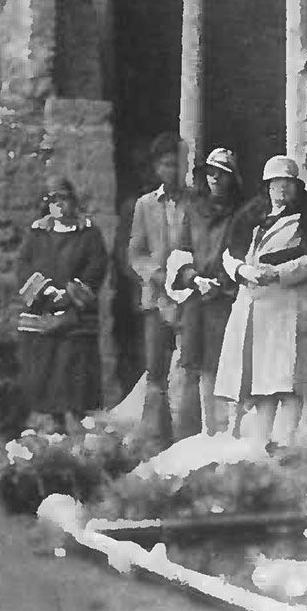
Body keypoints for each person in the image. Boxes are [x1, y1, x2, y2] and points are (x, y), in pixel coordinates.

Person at [214, 156, 307, 451]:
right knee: (262, 381)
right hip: (255, 305)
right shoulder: (252, 217)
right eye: (276, 182)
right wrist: (240, 270)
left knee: (289, 380)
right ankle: (260, 441)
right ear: (267, 185)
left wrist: (277, 272)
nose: (281, 188)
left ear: (297, 186)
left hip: (289, 305)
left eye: (288, 182)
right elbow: (230, 253)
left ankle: (285, 443)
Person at [169, 148, 259, 436]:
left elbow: (243, 251)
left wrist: (222, 281)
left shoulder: (243, 214)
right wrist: (194, 279)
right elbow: (182, 252)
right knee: (200, 364)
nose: (215, 179)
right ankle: (209, 430)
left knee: (230, 362)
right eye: (210, 172)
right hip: (198, 296)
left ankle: (233, 430)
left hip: (227, 297)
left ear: (233, 179)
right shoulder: (193, 212)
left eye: (222, 174)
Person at [16, 176, 109, 432]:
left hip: (75, 318)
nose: (58, 205)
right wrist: (44, 290)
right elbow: (24, 265)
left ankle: (80, 430)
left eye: (62, 198)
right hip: (43, 314)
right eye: (52, 200)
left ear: (73, 201)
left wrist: (70, 294)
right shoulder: (37, 233)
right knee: (48, 371)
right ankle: (55, 429)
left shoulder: (89, 233)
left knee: (75, 374)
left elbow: (96, 266)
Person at [128, 132, 192, 448]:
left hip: (188, 296)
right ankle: (156, 439)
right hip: (155, 298)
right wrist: (156, 276)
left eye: (177, 164)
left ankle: (188, 436)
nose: (172, 171)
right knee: (156, 370)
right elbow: (135, 252)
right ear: (157, 168)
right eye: (166, 165)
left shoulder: (196, 203)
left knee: (189, 366)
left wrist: (184, 280)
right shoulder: (145, 205)